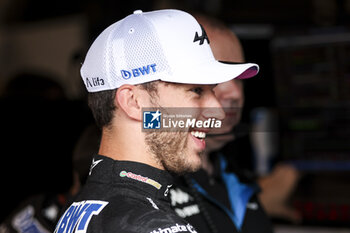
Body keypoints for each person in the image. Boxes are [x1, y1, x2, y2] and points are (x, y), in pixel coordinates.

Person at [54, 9, 259, 233]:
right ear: (133, 101)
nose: (217, 112)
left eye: (213, 91)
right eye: (197, 90)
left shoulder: (77, 210)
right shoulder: (155, 226)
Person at [169, 15, 275, 233]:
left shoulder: (235, 176)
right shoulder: (140, 186)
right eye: (217, 74)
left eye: (239, 78)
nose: (235, 93)